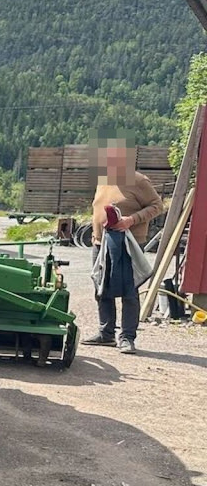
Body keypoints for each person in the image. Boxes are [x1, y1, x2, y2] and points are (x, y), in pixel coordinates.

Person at [82, 135, 164, 354]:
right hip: (101, 244)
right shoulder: (103, 179)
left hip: (127, 244)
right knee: (102, 288)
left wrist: (131, 220)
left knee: (129, 291)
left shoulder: (138, 180)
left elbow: (157, 206)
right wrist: (95, 237)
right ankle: (106, 333)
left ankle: (127, 337)